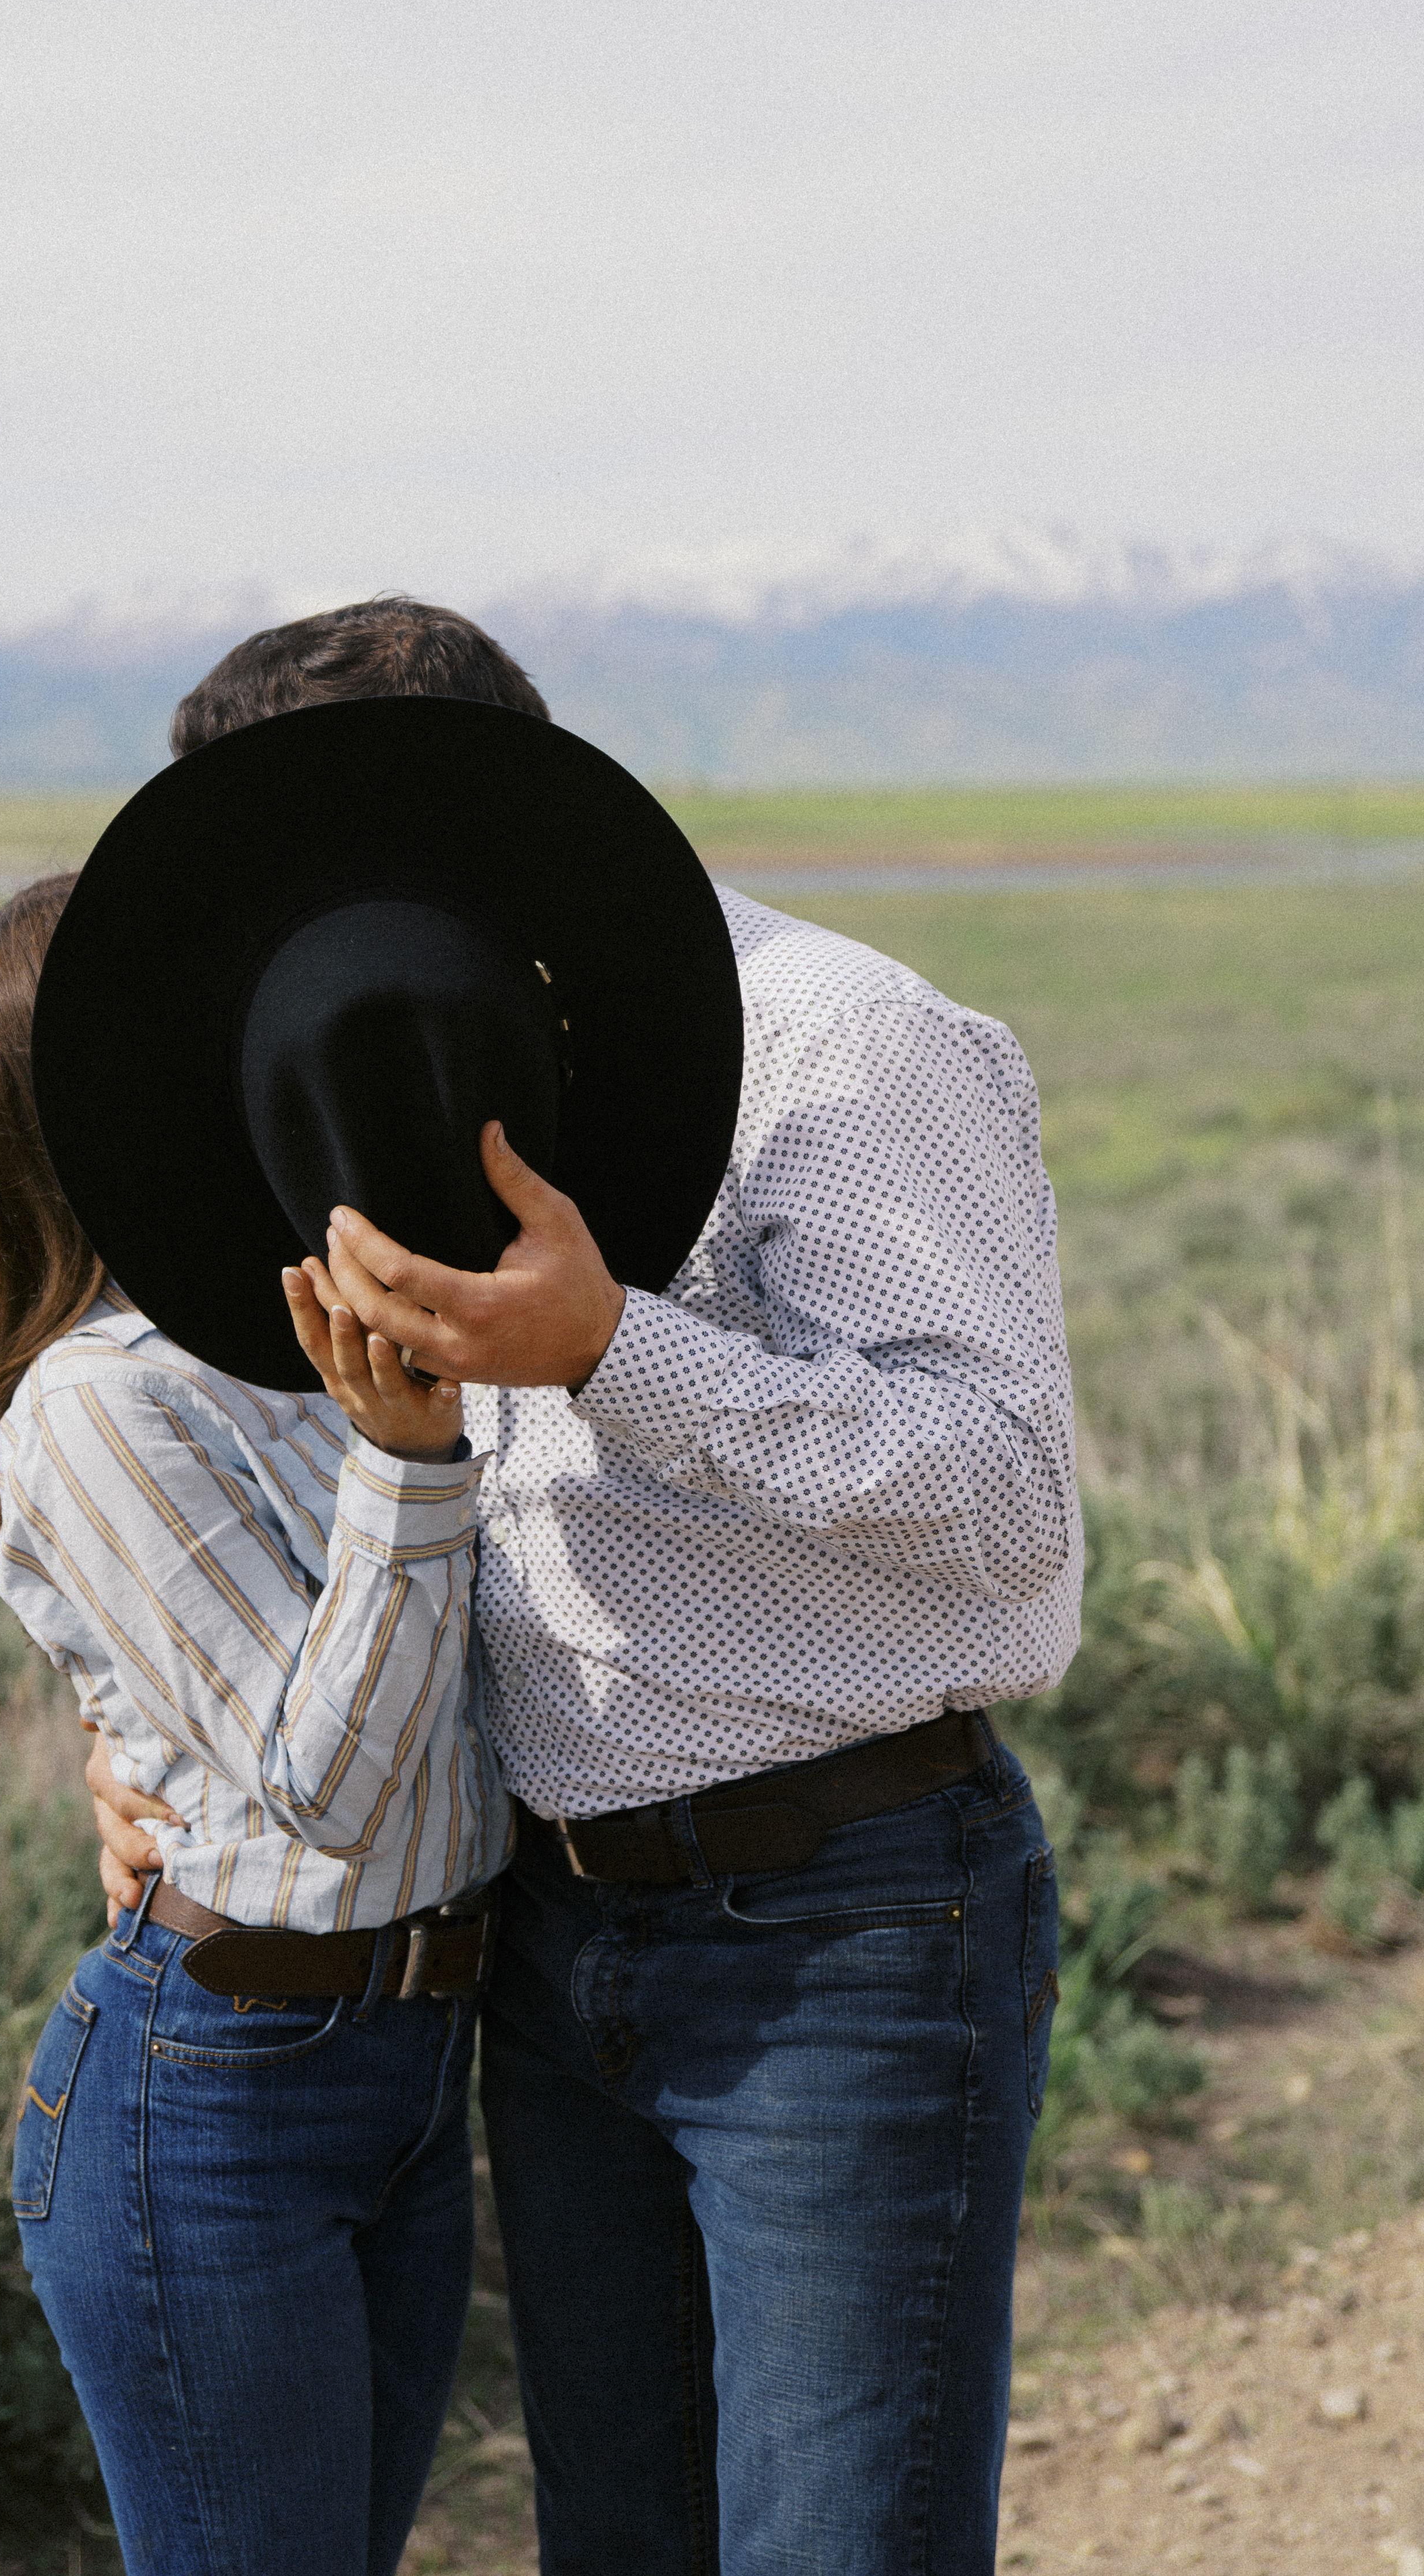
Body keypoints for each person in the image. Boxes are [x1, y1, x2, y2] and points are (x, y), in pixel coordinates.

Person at [86, 597, 1086, 2576]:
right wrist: (135, 1739)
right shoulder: (347, 1063)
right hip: (546, 1935)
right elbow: (301, 1489)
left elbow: (1009, 1507)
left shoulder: (841, 1044)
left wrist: (613, 1347)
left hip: (848, 1924)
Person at [0, 868, 512, 2576]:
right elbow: (328, 1787)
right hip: (218, 2097)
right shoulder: (97, 1403)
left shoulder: (287, 1335)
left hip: (405, 2060)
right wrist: (409, 1461)